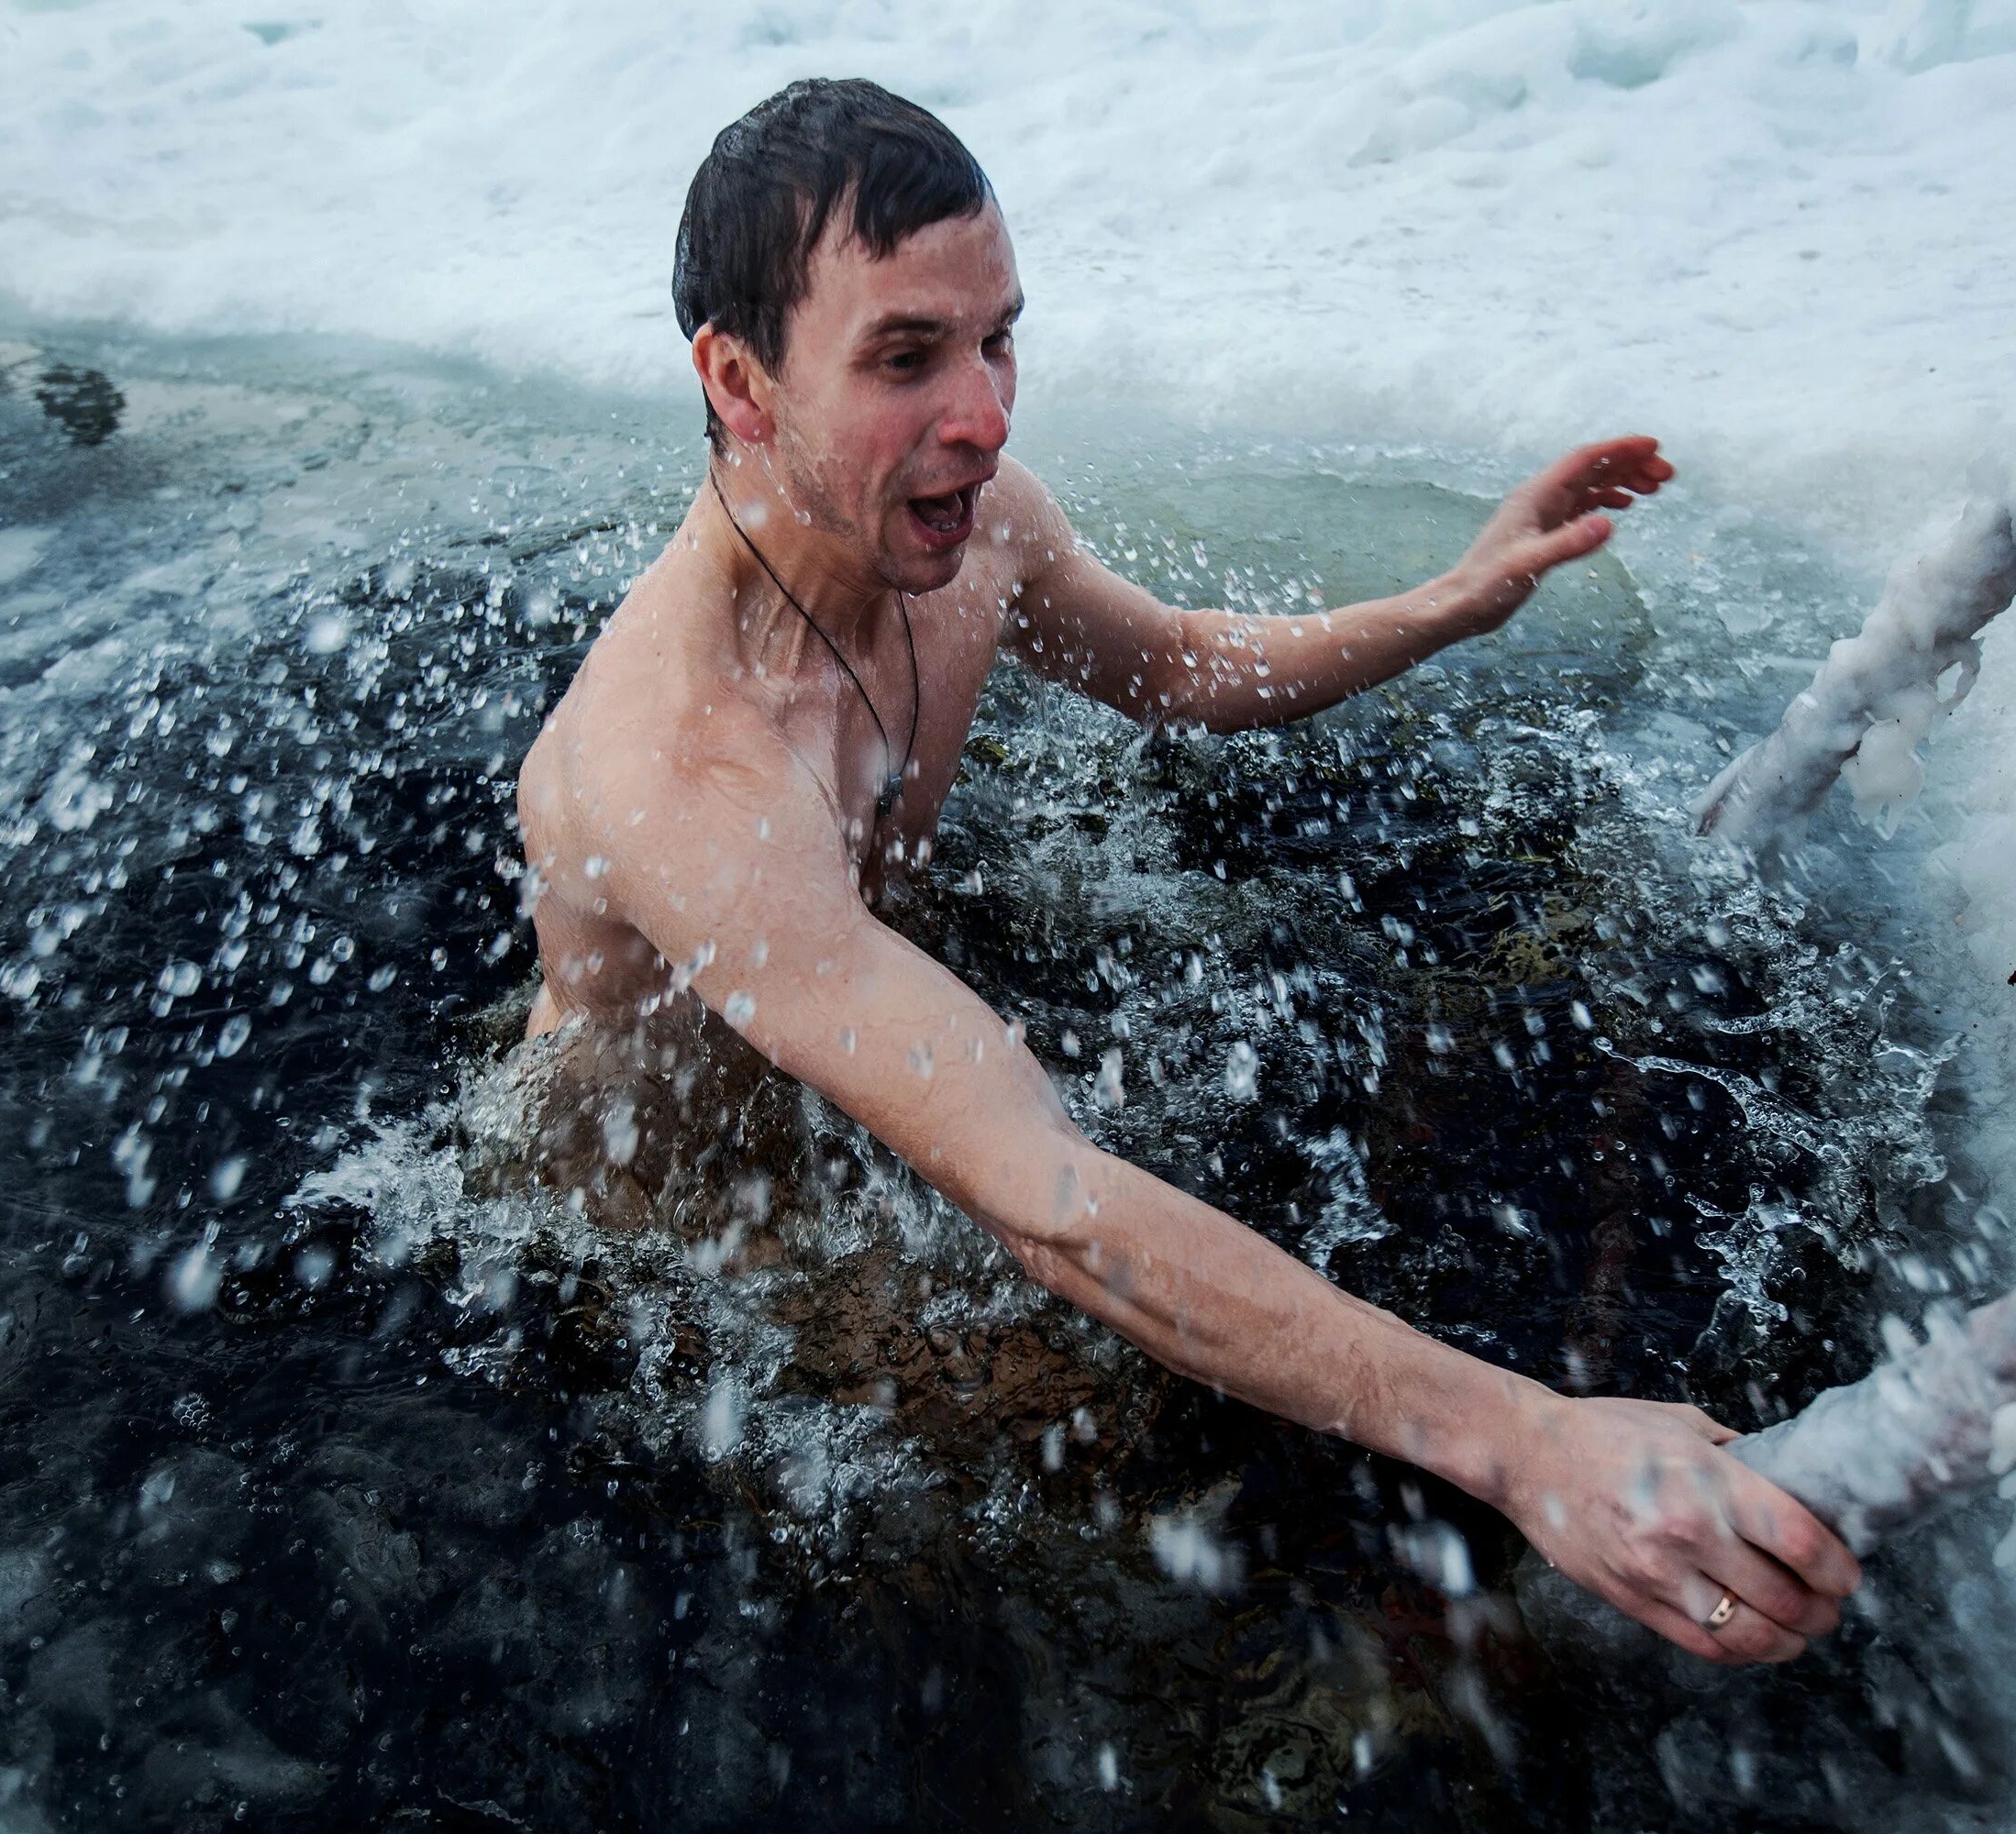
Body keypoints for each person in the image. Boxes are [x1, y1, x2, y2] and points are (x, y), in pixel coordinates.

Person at [514, 76, 1858, 1664]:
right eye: (905, 358)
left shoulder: (966, 522)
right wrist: (1525, 1441)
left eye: (997, 336)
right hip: (677, 1228)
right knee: (1132, 1468)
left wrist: (1454, 601)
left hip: (843, 1024)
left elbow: (1182, 666)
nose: (987, 413)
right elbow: (1052, 1200)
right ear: (739, 383)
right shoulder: (684, 766)